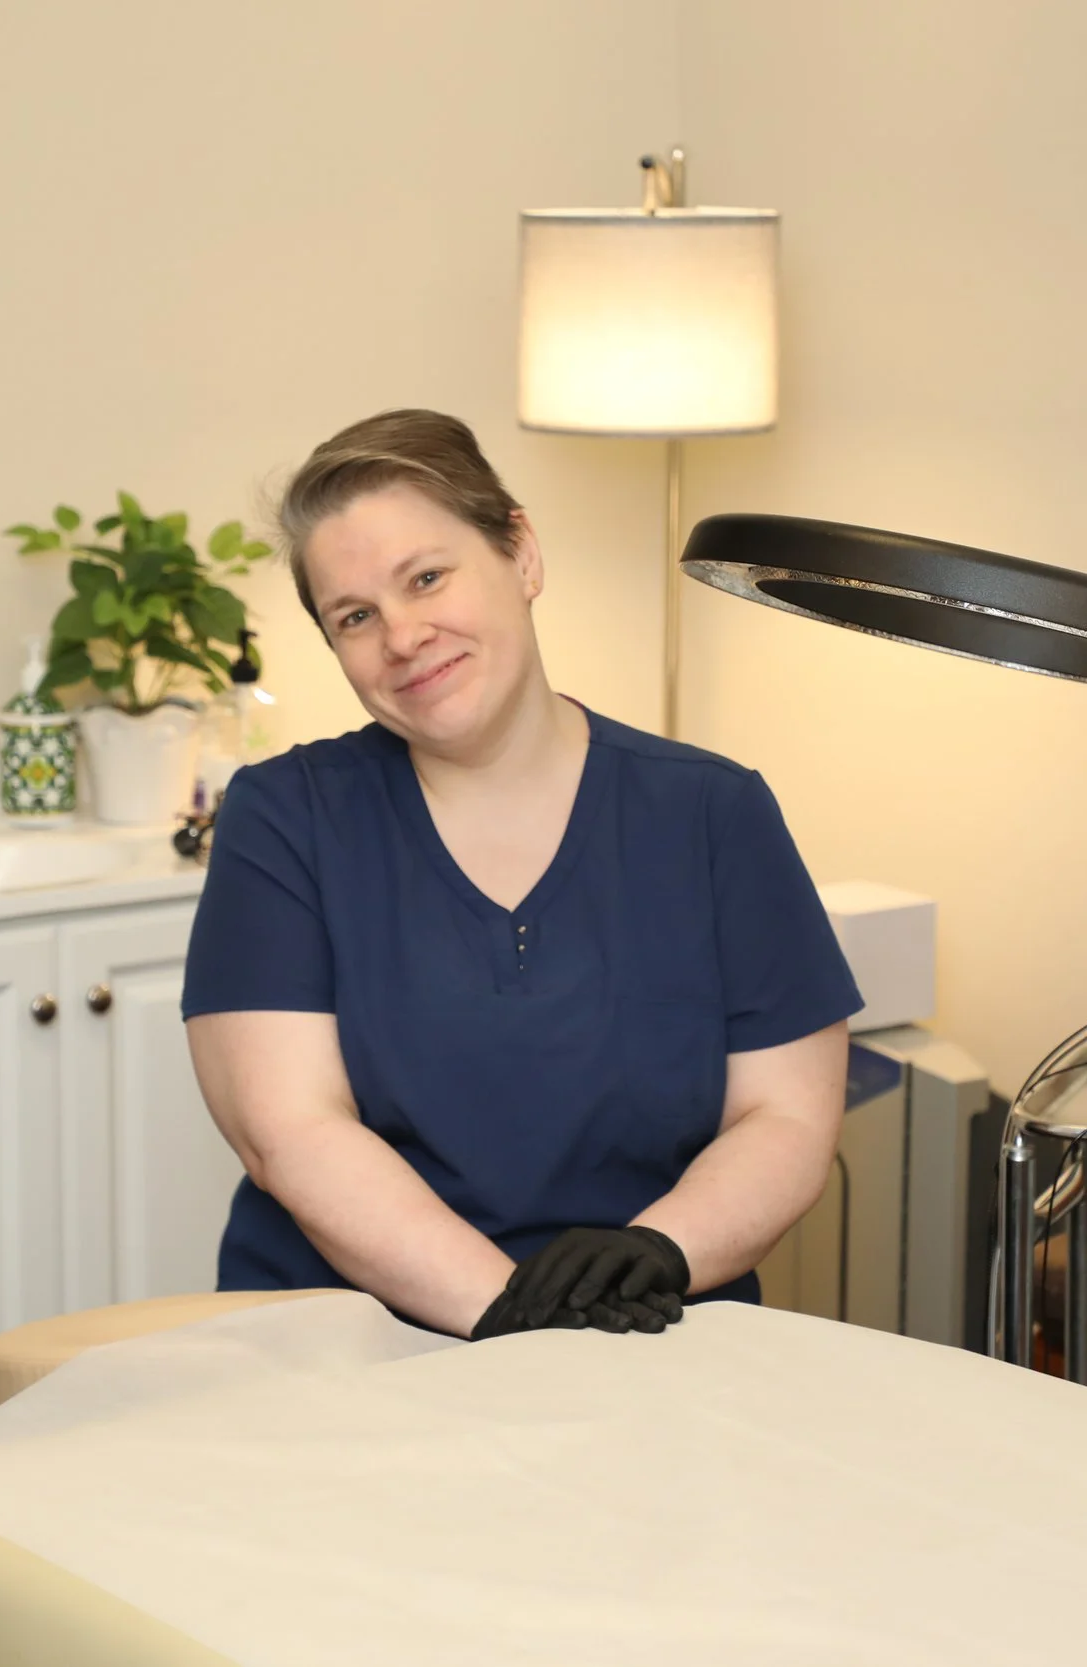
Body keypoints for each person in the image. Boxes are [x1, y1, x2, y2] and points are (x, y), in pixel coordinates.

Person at [182, 409, 859, 1340]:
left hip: (648, 1331)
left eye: (427, 577)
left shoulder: (713, 814)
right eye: (355, 616)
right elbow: (291, 1133)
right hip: (349, 1350)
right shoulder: (284, 819)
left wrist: (662, 1248)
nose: (404, 634)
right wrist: (516, 1324)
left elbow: (784, 1119)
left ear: (523, 554)